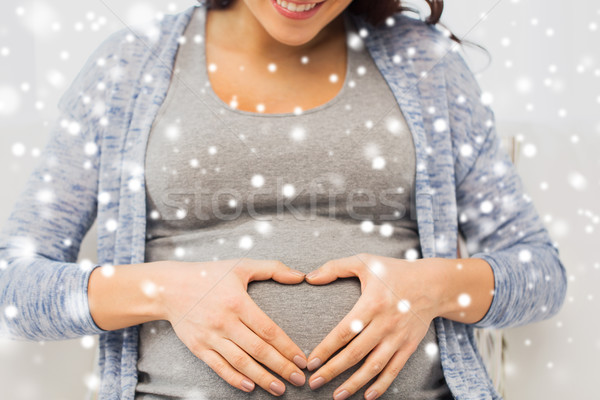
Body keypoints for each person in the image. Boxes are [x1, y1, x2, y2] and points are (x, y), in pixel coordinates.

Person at [0, 0, 567, 399]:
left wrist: (431, 288)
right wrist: (166, 290)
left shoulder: (426, 66)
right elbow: (15, 288)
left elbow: (539, 273)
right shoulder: (129, 66)